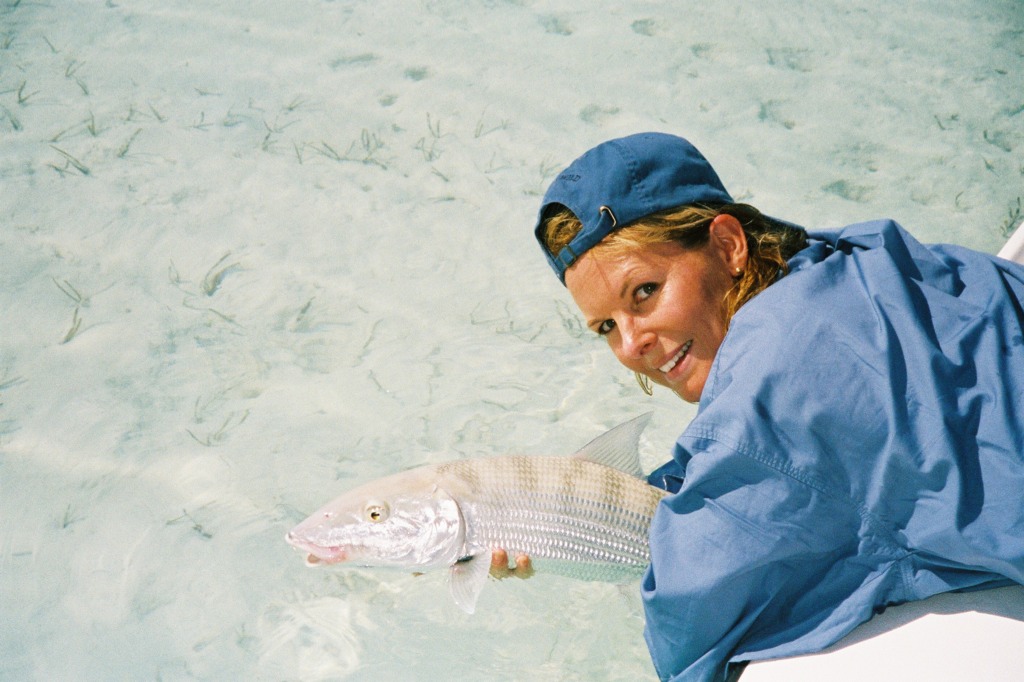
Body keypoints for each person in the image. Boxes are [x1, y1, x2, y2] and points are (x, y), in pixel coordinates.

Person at [516, 132, 1024, 682]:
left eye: (644, 291)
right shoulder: (857, 254)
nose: (632, 344)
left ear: (729, 244)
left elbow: (690, 612)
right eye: (607, 327)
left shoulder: (770, 393)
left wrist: (556, 532)